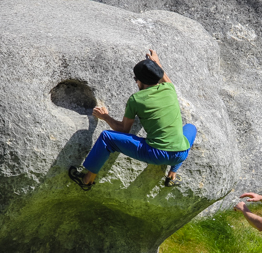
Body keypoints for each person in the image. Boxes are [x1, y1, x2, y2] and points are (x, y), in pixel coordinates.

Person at [68, 49, 196, 190]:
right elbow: (164, 77)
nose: (136, 82)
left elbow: (124, 130)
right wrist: (156, 63)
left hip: (156, 154)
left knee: (106, 137)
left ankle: (87, 179)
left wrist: (104, 116)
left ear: (140, 81)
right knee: (191, 128)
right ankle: (172, 173)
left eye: (136, 79)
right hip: (181, 154)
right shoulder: (170, 88)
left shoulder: (136, 99)